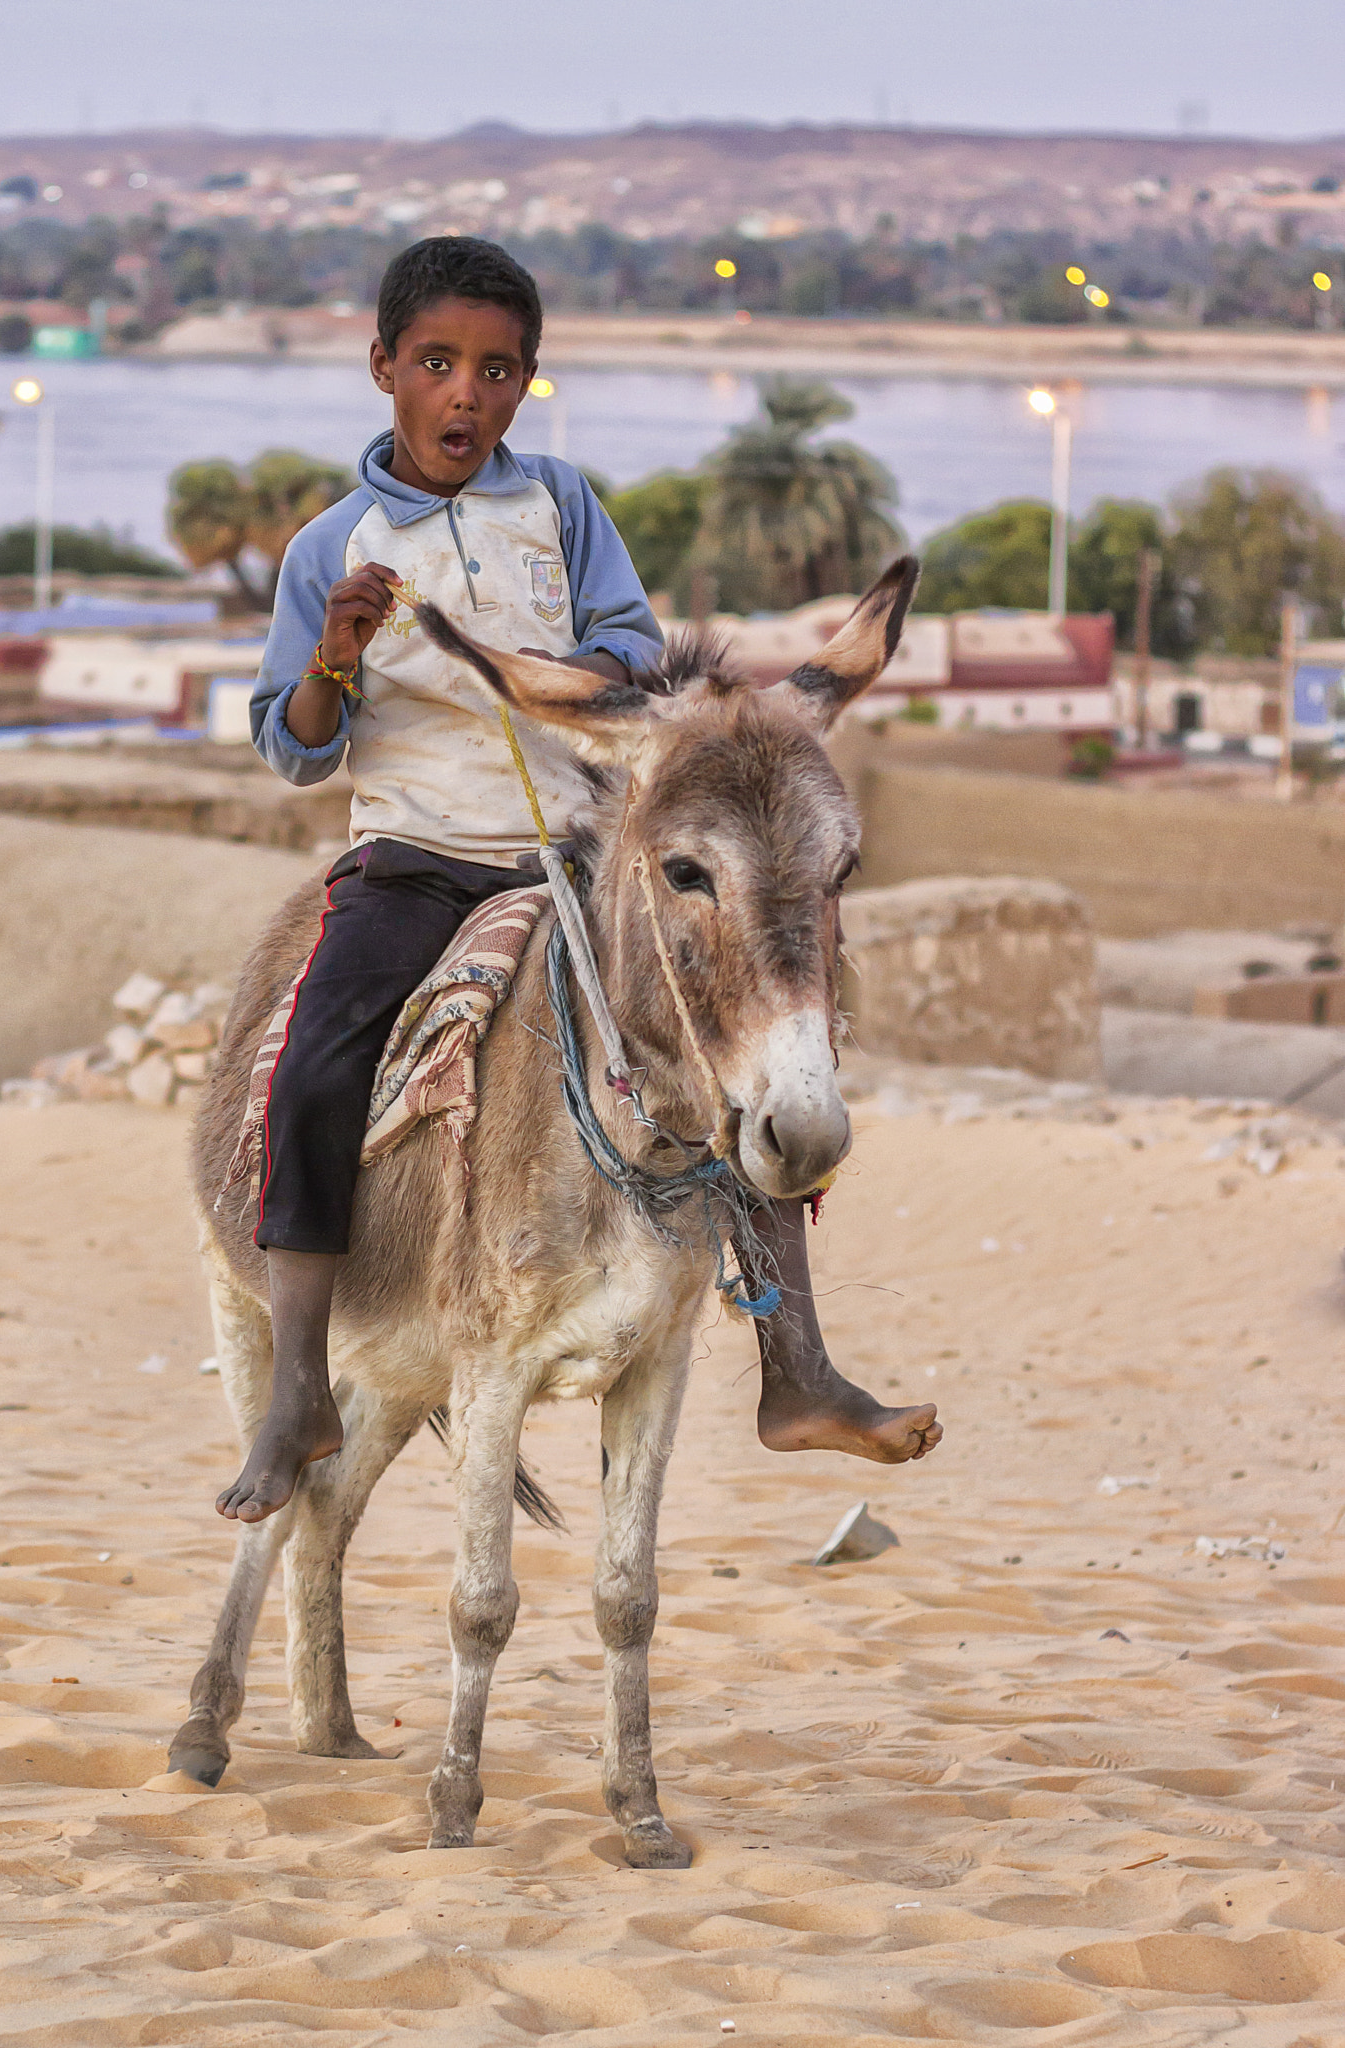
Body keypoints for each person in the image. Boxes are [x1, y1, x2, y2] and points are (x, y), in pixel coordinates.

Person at [219, 237, 939, 1526]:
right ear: (383, 367)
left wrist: (554, 666)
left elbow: (627, 643)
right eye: (437, 364)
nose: (466, 396)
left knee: (722, 1038)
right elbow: (292, 742)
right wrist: (337, 652)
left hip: (570, 857)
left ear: (526, 383)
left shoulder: (560, 506)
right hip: (414, 857)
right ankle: (295, 1384)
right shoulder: (331, 546)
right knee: (320, 1055)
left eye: (497, 371)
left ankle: (797, 1363)